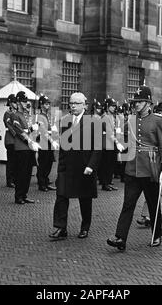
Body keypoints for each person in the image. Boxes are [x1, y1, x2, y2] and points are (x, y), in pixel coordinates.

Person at [107, 86, 162, 250]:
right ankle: (120, 238)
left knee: (152, 204)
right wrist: (120, 141)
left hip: (150, 168)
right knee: (128, 204)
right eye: (134, 101)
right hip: (132, 168)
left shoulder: (158, 120)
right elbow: (123, 137)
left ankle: (156, 235)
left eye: (139, 101)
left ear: (148, 103)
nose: (135, 104)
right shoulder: (131, 119)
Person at [49, 92, 102, 240]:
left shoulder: (94, 121)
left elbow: (98, 147)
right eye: (71, 103)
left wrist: (91, 165)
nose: (73, 106)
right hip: (67, 166)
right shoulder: (65, 120)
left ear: (85, 104)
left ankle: (85, 227)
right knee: (61, 196)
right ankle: (60, 227)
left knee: (85, 198)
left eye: (77, 103)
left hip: (85, 166)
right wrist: (60, 165)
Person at [10, 91, 41, 204]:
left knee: (28, 173)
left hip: (29, 147)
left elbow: (28, 131)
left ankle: (24, 194)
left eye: (26, 101)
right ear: (18, 102)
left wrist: (34, 129)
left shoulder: (26, 115)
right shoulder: (15, 115)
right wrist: (28, 139)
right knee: (21, 173)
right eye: (23, 101)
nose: (25, 103)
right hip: (21, 147)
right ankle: (18, 196)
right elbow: (19, 130)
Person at [36, 94, 59, 192]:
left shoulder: (47, 116)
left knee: (49, 163)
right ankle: (42, 184)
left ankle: (46, 181)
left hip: (49, 142)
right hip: (43, 142)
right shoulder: (40, 116)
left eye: (48, 104)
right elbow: (43, 131)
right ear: (41, 105)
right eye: (45, 104)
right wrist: (51, 140)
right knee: (43, 164)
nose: (47, 106)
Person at [100, 97, 119, 191]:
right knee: (106, 165)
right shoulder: (105, 117)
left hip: (112, 144)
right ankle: (105, 183)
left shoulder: (112, 117)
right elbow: (109, 132)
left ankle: (109, 182)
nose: (114, 108)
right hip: (107, 144)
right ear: (107, 106)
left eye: (114, 106)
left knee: (111, 164)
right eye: (112, 106)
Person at [3, 94, 17, 188]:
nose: (15, 104)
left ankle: (14, 179)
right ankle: (9, 180)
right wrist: (18, 135)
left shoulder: (16, 112)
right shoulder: (7, 113)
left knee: (15, 161)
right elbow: (10, 126)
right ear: (10, 103)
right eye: (14, 102)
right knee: (11, 161)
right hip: (10, 139)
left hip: (16, 140)